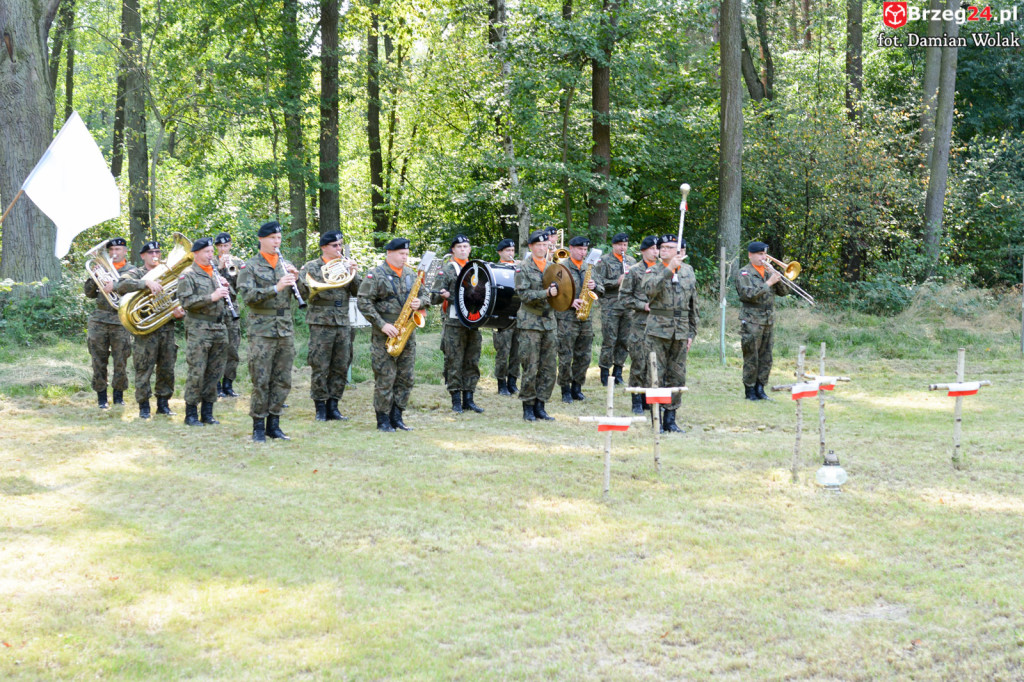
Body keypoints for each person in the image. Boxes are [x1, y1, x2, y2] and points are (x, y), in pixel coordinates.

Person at [357, 237, 431, 432]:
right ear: (389, 253)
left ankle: (397, 416)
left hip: (407, 332)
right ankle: (382, 420)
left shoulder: (410, 274)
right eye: (401, 254)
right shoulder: (376, 275)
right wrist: (382, 325)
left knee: (406, 377)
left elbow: (426, 295)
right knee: (385, 377)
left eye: (406, 254)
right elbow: (363, 302)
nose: (404, 257)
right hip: (386, 333)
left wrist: (420, 303)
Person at [237, 221, 300, 442]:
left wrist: (299, 280)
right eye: (273, 238)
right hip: (262, 330)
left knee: (282, 379)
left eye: (279, 238)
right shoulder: (250, 267)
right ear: (261, 239)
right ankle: (257, 427)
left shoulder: (286, 264)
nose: (277, 242)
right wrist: (276, 287)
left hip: (284, 330)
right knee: (261, 379)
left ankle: (274, 424)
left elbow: (307, 296)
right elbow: (247, 297)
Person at [114, 240, 183, 418]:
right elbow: (121, 284)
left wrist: (178, 311)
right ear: (143, 255)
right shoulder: (136, 272)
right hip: (146, 331)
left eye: (158, 252)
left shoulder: (170, 274)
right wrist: (145, 283)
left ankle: (163, 404)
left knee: (167, 369)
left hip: (166, 329)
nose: (155, 256)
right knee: (144, 368)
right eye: (151, 253)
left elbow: (180, 297)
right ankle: (144, 406)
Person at [297, 231, 361, 422]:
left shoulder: (346, 264)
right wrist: (296, 279)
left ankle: (334, 405)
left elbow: (359, 291)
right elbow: (300, 293)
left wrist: (353, 273)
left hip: (342, 321)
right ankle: (320, 407)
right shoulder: (310, 267)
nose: (339, 249)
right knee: (320, 365)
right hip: (320, 322)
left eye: (340, 245)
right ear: (324, 247)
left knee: (341, 364)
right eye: (334, 245)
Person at [641, 234, 698, 433]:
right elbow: (649, 290)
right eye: (661, 247)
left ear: (678, 251)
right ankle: (656, 419)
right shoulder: (653, 269)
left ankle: (670, 419)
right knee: (656, 375)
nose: (662, 250)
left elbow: (693, 304)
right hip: (658, 330)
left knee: (677, 375)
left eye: (668, 247)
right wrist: (668, 269)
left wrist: (692, 332)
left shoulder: (689, 271)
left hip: (681, 330)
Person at [176, 237, 230, 426]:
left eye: (211, 252)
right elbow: (186, 302)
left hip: (219, 327)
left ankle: (207, 412)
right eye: (207, 252)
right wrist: (212, 297)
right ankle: (190, 413)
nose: (211, 255)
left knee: (214, 372)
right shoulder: (188, 274)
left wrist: (225, 289)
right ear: (196, 253)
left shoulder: (215, 273)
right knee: (197, 371)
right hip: (199, 328)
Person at [432, 234, 484, 414]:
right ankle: (455, 399)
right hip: (454, 322)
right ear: (452, 250)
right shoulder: (448, 269)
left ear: (470, 249)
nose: (463, 249)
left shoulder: (477, 269)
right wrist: (443, 295)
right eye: (459, 247)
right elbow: (433, 297)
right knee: (454, 360)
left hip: (473, 321)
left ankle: (469, 398)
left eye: (466, 247)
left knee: (472, 360)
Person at [84, 237, 137, 409]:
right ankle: (101, 397)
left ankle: (118, 395)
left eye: (118, 250)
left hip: (121, 320)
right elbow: (89, 294)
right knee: (98, 359)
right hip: (99, 320)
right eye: (111, 250)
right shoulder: (102, 268)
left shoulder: (133, 271)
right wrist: (94, 276)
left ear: (125, 251)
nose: (114, 253)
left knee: (121, 360)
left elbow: (136, 291)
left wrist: (115, 286)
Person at [514, 229, 560, 422]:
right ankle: (528, 406)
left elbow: (561, 292)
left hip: (549, 322)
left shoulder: (553, 267)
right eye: (538, 245)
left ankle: (541, 405)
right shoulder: (523, 267)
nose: (542, 248)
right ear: (531, 247)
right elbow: (523, 295)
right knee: (530, 366)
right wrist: (545, 294)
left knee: (549, 367)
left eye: (545, 245)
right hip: (530, 323)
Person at [736, 241, 790, 400]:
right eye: (760, 254)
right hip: (752, 321)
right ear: (750, 255)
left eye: (765, 254)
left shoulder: (768, 272)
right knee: (751, 356)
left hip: (768, 320)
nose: (763, 257)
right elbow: (747, 295)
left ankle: (761, 388)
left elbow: (784, 292)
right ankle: (750, 390)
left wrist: (779, 278)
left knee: (766, 357)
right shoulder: (744, 273)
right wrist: (769, 283)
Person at [557, 236, 603, 403]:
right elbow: (555, 293)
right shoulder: (561, 268)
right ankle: (565, 389)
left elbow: (602, 288)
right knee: (565, 355)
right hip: (566, 318)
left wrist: (595, 286)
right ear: (571, 248)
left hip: (585, 318)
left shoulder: (589, 267)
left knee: (584, 356)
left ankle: (577, 387)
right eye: (579, 249)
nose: (583, 252)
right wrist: (570, 302)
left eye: (585, 250)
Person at [618, 235, 658, 414]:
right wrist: (643, 305)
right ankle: (636, 399)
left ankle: (649, 398)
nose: (655, 252)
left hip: (658, 326)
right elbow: (624, 298)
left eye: (658, 249)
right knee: (639, 363)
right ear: (643, 251)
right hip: (640, 324)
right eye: (652, 249)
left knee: (654, 364)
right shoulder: (634, 271)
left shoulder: (663, 270)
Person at [595, 232, 635, 386]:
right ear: (613, 245)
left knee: (624, 340)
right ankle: (605, 372)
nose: (622, 248)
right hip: (611, 305)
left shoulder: (631, 261)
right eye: (620, 245)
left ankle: (618, 371)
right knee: (609, 340)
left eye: (625, 245)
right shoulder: (604, 261)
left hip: (627, 306)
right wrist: (616, 281)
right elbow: (598, 282)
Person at [215, 232, 245, 398]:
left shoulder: (238, 263)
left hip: (232, 306)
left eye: (226, 246)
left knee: (233, 347)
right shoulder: (210, 262)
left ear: (230, 246)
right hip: (216, 308)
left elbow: (242, 285)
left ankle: (228, 384)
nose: (223, 249)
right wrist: (219, 268)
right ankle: (216, 384)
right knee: (218, 347)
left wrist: (232, 268)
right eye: (220, 246)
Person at [491, 238, 521, 396]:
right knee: (503, 351)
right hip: (503, 315)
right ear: (500, 252)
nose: (511, 253)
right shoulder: (495, 268)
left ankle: (513, 381)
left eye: (512, 250)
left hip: (518, 314)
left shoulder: (519, 267)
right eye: (507, 251)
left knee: (517, 351)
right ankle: (501, 382)